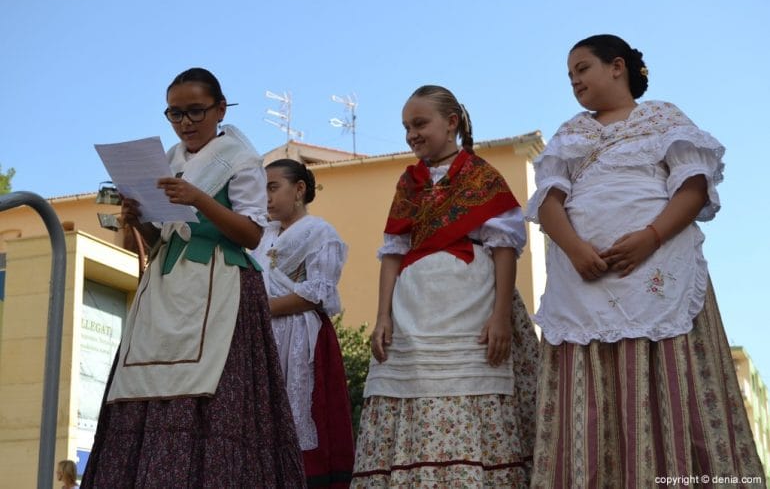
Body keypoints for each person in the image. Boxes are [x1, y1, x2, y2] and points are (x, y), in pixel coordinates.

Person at [526, 34, 765, 487]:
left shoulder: (663, 118)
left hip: (658, 269)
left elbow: (692, 187)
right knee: (591, 394)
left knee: (672, 381)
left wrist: (650, 237)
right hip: (583, 282)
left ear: (617, 66)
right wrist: (575, 249)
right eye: (569, 75)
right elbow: (549, 202)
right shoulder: (571, 132)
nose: (574, 80)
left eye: (582, 68)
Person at [80, 68, 306, 488]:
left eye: (196, 111)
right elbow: (162, 237)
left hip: (221, 284)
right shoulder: (169, 160)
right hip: (165, 287)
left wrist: (200, 199)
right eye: (175, 113)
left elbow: (252, 235)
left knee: (214, 394)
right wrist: (137, 220)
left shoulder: (240, 159)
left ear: (220, 109)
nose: (185, 122)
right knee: (144, 387)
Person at [351, 85, 539, 488]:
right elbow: (393, 252)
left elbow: (505, 248)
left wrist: (501, 316)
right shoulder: (409, 183)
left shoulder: (481, 175)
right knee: (411, 389)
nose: (411, 134)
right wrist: (382, 316)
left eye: (420, 124)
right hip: (413, 307)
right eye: (406, 127)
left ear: (451, 122)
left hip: (471, 302)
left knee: (471, 387)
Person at [251, 158, 355, 488]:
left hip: (301, 336)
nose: (266, 197)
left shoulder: (320, 232)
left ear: (298, 189)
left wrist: (259, 309)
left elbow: (317, 292)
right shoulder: (261, 236)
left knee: (304, 415)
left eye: (273, 187)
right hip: (262, 336)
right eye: (262, 190)